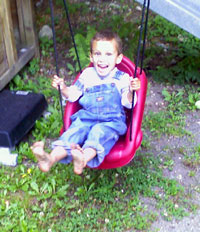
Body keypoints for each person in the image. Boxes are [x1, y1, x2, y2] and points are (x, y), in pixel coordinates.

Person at [31, 30, 141, 175]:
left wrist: (131, 92)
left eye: (108, 54)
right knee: (73, 133)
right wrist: (63, 88)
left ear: (118, 58)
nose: (102, 59)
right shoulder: (87, 75)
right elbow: (73, 95)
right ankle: (50, 159)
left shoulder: (122, 78)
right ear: (91, 56)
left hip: (111, 121)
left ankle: (82, 159)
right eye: (97, 54)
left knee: (98, 133)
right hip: (86, 118)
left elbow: (128, 104)